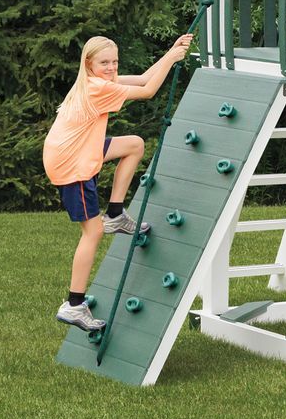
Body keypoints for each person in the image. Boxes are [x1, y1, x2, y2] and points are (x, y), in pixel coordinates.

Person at [44, 32, 194, 332]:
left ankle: (115, 213)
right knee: (92, 233)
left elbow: (141, 78)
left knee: (134, 145)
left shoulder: (94, 81)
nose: (111, 67)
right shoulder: (97, 87)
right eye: (104, 63)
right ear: (89, 64)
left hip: (79, 148)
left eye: (114, 62)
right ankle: (74, 304)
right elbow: (150, 90)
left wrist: (171, 52)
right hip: (72, 164)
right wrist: (173, 59)